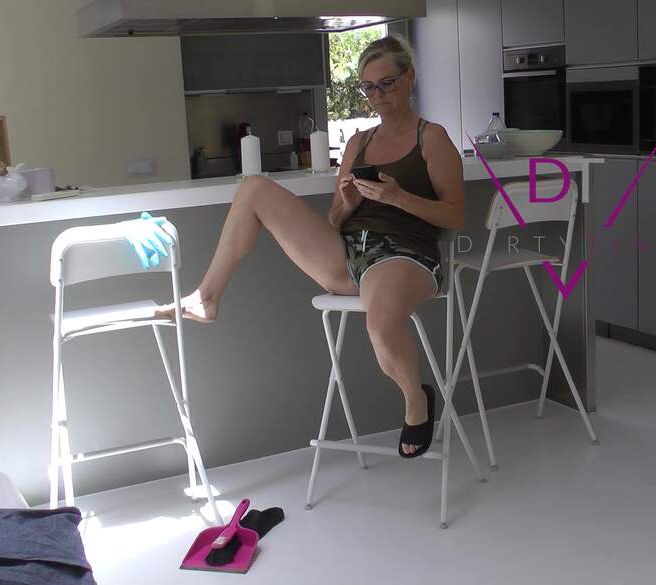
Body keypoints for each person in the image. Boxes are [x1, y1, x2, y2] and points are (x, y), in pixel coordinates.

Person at [159, 34, 465, 458]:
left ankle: (416, 399)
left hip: (405, 256)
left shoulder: (431, 137)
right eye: (369, 87)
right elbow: (334, 218)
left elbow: (455, 215)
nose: (377, 95)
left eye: (387, 84)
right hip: (350, 253)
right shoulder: (358, 142)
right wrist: (348, 205)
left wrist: (399, 198)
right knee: (253, 188)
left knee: (380, 324)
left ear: (409, 78)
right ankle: (206, 297)